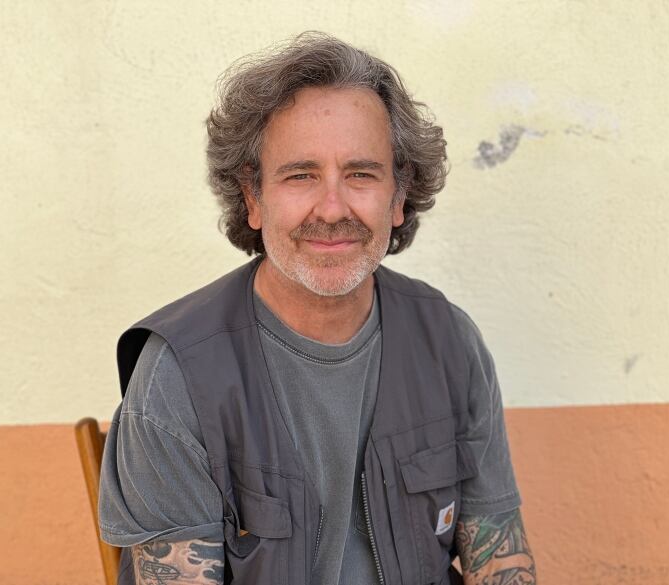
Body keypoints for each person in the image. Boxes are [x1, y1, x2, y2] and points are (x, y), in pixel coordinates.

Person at [98, 31, 536, 585]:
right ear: (254, 198)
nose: (332, 208)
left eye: (361, 174)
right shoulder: (177, 375)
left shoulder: (450, 341)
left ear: (398, 198)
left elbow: (500, 563)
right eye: (300, 175)